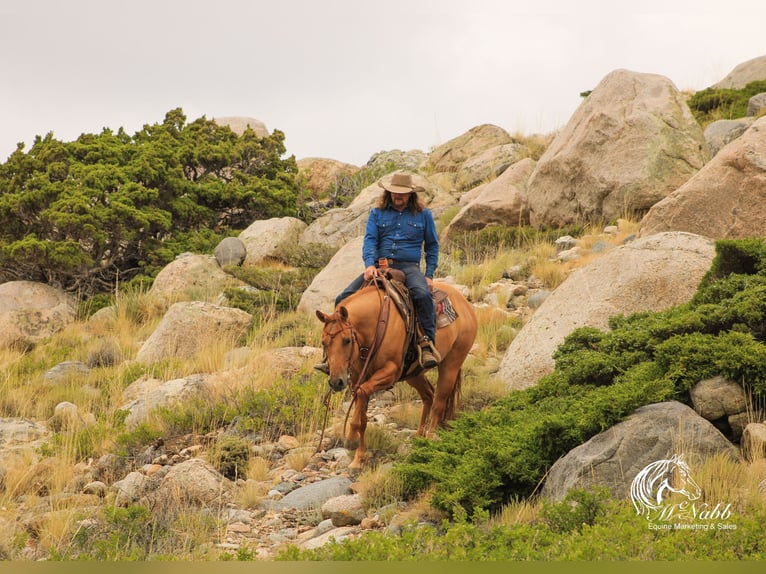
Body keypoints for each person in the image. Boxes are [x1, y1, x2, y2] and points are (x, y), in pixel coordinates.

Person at [316, 172, 441, 373]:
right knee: (343, 298)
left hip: (408, 266)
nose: (397, 196)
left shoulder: (423, 215)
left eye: (401, 194)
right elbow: (370, 241)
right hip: (380, 267)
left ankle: (426, 344)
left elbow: (432, 246)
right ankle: (330, 355)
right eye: (393, 193)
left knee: (423, 294)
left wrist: (429, 275)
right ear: (388, 192)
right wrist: (369, 265)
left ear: (411, 195)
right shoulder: (377, 213)